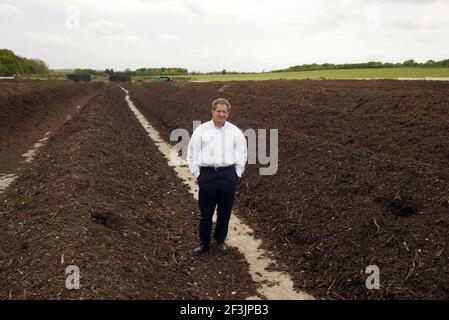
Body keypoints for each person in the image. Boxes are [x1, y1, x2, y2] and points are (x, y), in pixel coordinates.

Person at [187, 98, 247, 256]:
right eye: (218, 111)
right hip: (207, 174)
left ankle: (220, 240)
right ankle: (204, 243)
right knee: (206, 212)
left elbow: (242, 154)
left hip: (228, 175)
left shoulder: (235, 132)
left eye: (224, 112)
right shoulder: (201, 130)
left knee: (225, 210)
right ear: (212, 111)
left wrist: (237, 173)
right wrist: (197, 173)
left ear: (228, 114)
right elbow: (192, 153)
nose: (221, 114)